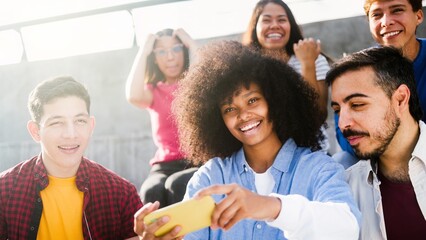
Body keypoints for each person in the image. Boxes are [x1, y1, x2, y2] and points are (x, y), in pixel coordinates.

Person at [134, 41, 360, 240]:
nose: (243, 115)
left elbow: (348, 229)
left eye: (252, 100)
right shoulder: (211, 176)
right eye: (230, 108)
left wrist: (270, 207)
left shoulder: (319, 169)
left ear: (276, 100)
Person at [0, 76, 143, 240]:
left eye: (80, 121)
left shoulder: (121, 194)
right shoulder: (4, 191)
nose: (71, 134)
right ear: (35, 131)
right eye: (56, 123)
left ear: (91, 126)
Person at [327, 46, 426, 239]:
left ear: (400, 99)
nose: (343, 123)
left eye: (357, 105)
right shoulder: (345, 191)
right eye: (338, 109)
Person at [334, 0, 426, 168]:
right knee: (342, 162)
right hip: (382, 157)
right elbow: (344, 133)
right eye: (377, 15)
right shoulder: (360, 69)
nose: (386, 22)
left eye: (397, 10)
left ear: (418, 15)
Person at [242, 0, 332, 153]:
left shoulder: (314, 59)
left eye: (282, 20)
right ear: (255, 27)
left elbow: (317, 116)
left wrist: (307, 64)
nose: (275, 25)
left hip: (313, 152)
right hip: (267, 156)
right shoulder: (243, 67)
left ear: (291, 26)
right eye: (266, 20)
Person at [125, 28, 198, 207]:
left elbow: (203, 71)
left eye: (176, 49)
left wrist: (190, 42)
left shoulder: (195, 85)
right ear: (154, 58)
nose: (170, 57)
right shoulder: (153, 91)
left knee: (177, 184)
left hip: (196, 161)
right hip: (164, 165)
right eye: (162, 51)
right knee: (152, 191)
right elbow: (133, 95)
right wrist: (144, 49)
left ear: (185, 51)